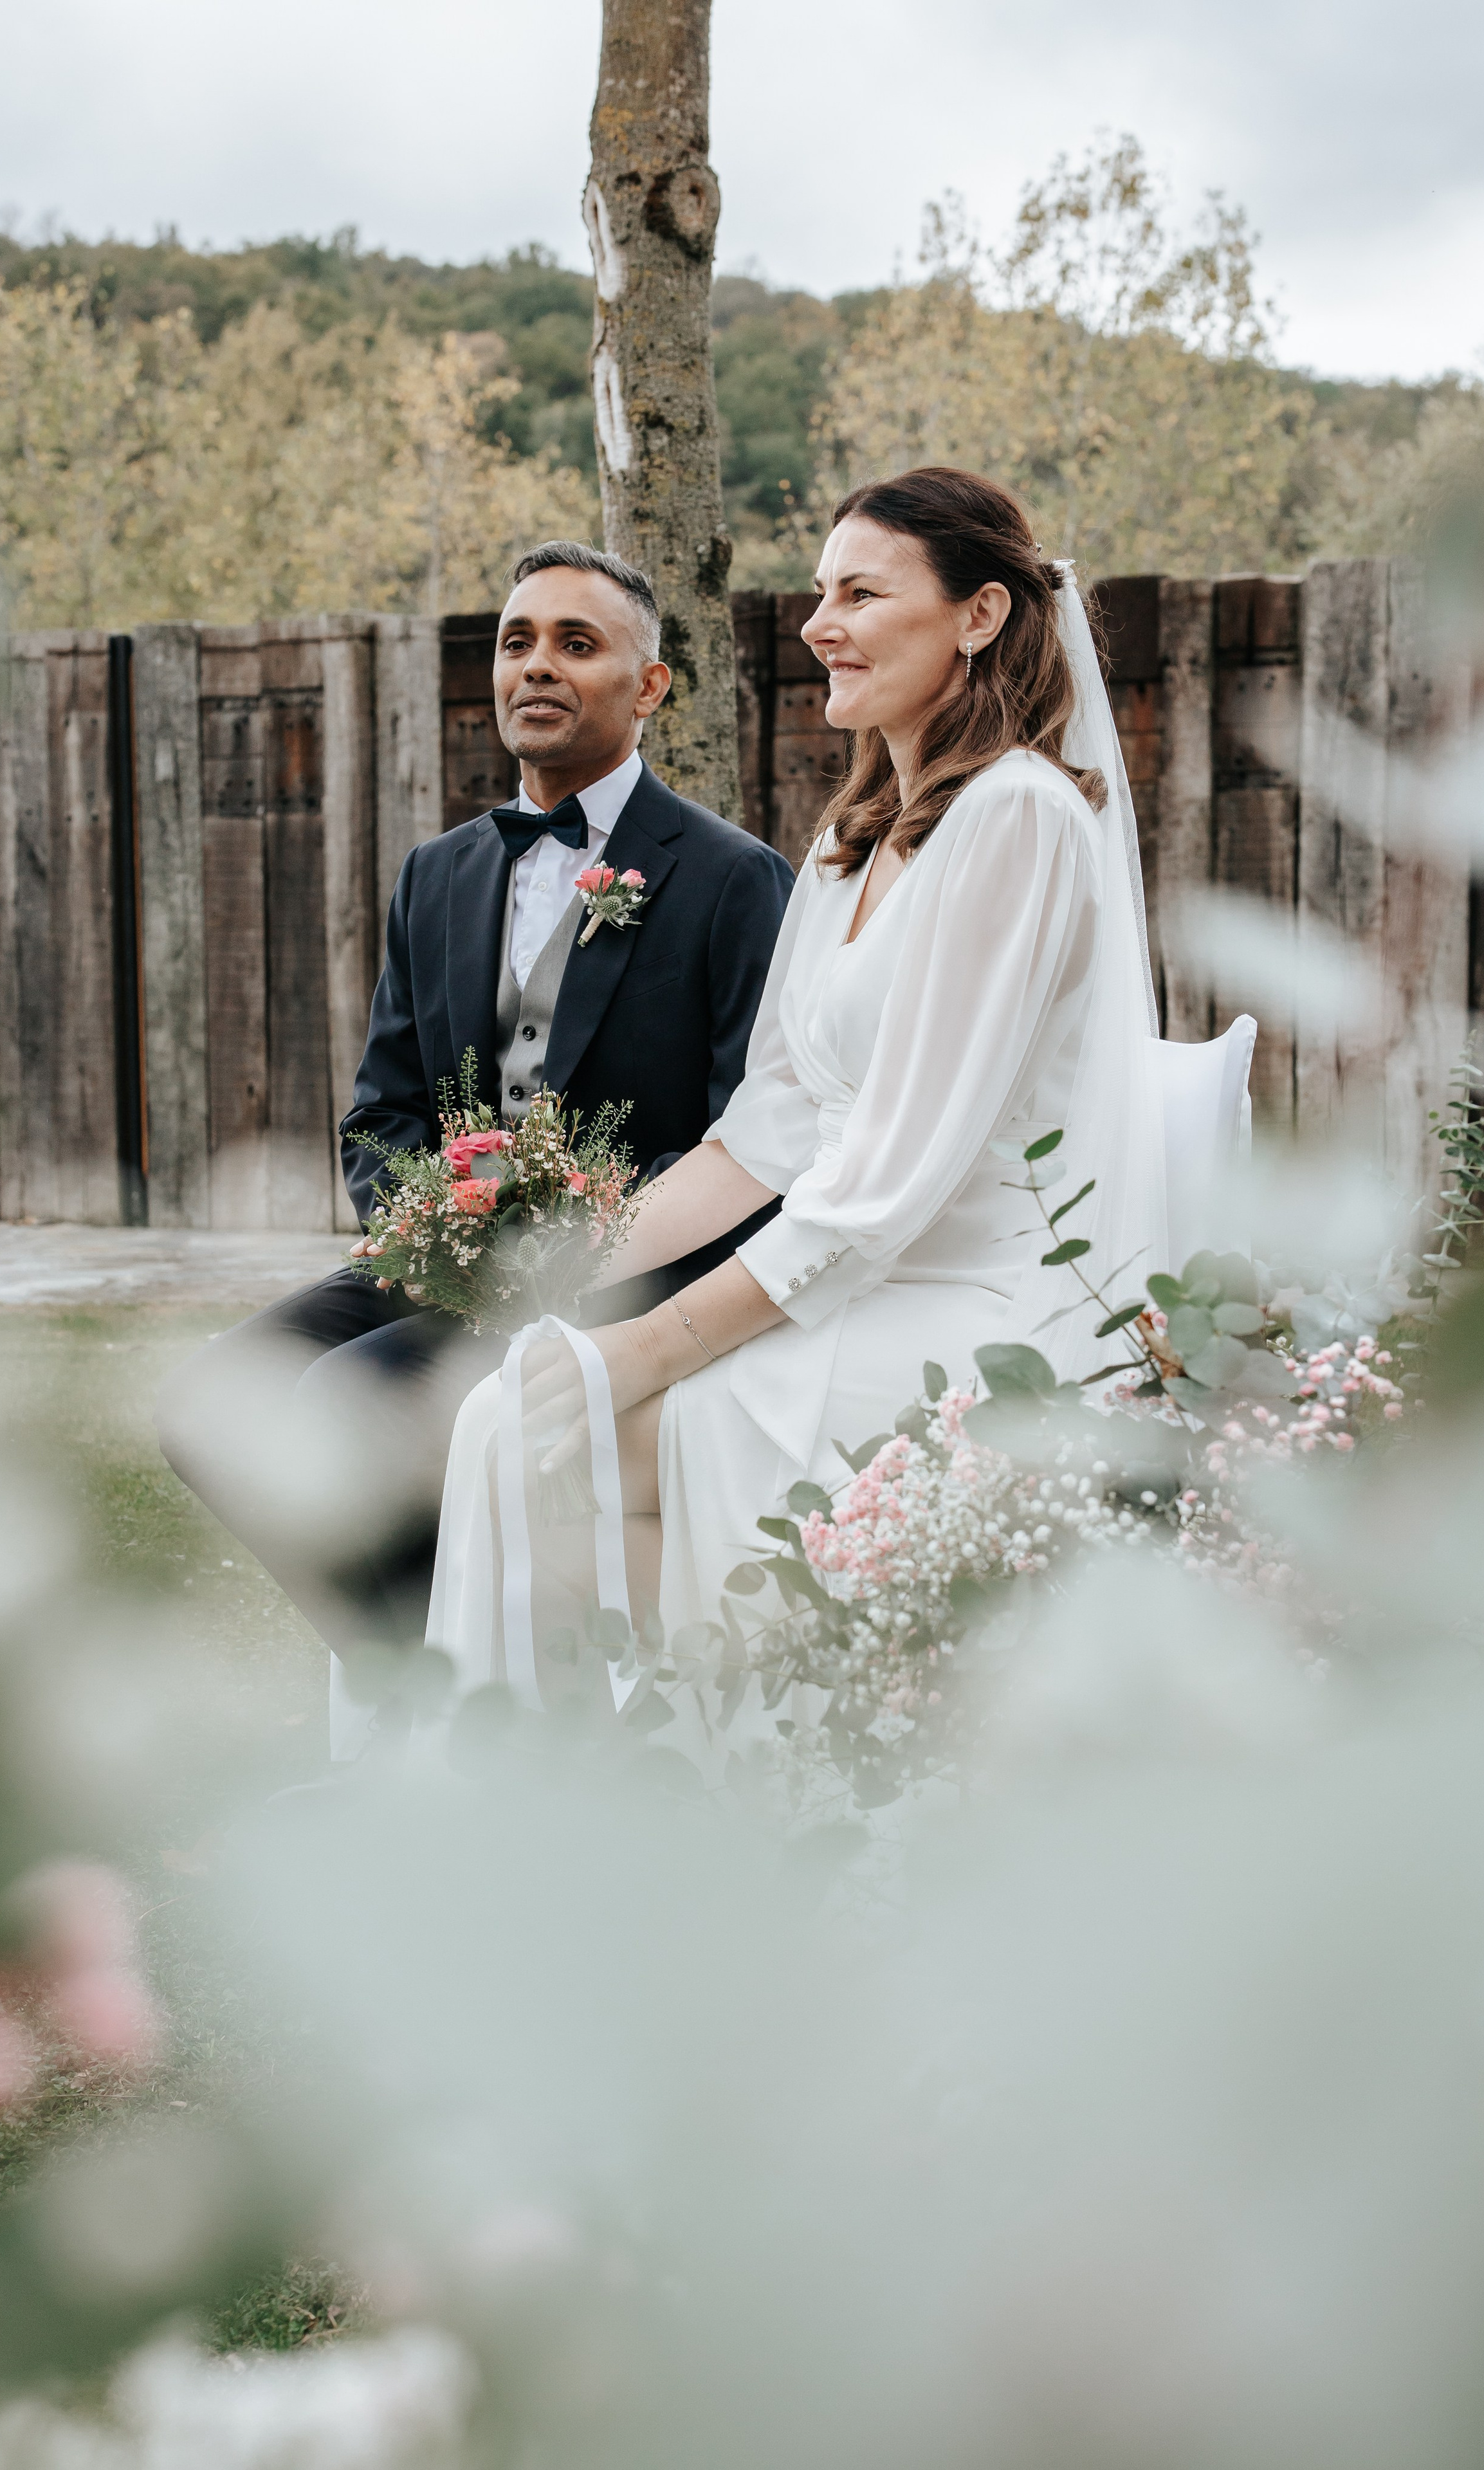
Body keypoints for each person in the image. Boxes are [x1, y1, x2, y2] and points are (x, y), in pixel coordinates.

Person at [426, 470, 1171, 1735]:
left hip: (979, 1311)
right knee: (514, 1410)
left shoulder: (1021, 824)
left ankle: (753, 1779)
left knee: (573, 1444)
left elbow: (879, 1183)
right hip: (856, 1277)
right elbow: (762, 1137)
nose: (817, 621)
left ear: (979, 615)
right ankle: (689, 1769)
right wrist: (563, 1273)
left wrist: (639, 1349)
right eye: (819, 591)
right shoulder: (853, 836)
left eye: (860, 593)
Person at [158, 541, 793, 1744]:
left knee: (349, 1400)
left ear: (650, 688)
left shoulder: (731, 879)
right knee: (208, 1403)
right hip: (439, 1260)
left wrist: (574, 1246)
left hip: (620, 1275)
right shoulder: (437, 875)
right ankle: (437, 1697)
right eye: (517, 641)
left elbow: (747, 1141)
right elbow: (383, 1109)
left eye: (576, 642)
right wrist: (429, 1218)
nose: (537, 666)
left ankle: (479, 1732)